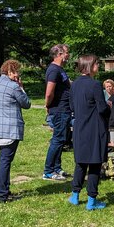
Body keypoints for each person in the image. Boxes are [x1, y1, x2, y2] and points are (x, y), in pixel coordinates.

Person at [68, 55, 109, 210]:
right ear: (90, 65)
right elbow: (102, 108)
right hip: (94, 129)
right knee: (94, 164)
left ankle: (75, 196)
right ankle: (92, 201)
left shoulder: (74, 85)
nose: (99, 66)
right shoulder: (95, 85)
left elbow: (72, 106)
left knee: (80, 163)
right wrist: (109, 105)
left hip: (79, 128)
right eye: (97, 63)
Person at [0, 60, 31, 203]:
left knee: (4, 160)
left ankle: (4, 191)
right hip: (9, 130)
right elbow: (26, 104)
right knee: (5, 161)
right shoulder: (14, 87)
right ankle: (2, 194)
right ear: (10, 71)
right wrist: (21, 88)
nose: (18, 74)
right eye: (17, 71)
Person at [42, 43, 72, 181]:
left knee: (62, 139)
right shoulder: (54, 70)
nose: (68, 55)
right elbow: (49, 93)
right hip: (59, 110)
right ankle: (48, 171)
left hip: (64, 109)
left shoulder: (60, 69)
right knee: (57, 139)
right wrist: (48, 105)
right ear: (59, 54)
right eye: (67, 53)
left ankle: (57, 168)